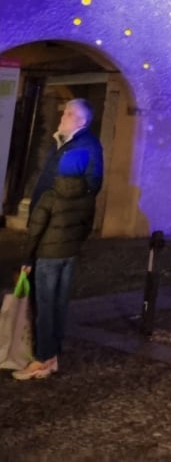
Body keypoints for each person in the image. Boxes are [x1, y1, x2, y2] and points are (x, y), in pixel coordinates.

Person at [13, 99, 103, 381]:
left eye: (70, 114)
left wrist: (30, 252)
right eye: (64, 111)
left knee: (46, 302)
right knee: (56, 301)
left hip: (52, 239)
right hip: (67, 240)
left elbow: (50, 204)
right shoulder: (76, 147)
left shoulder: (76, 153)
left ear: (83, 122)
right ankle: (50, 355)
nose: (63, 116)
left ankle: (42, 358)